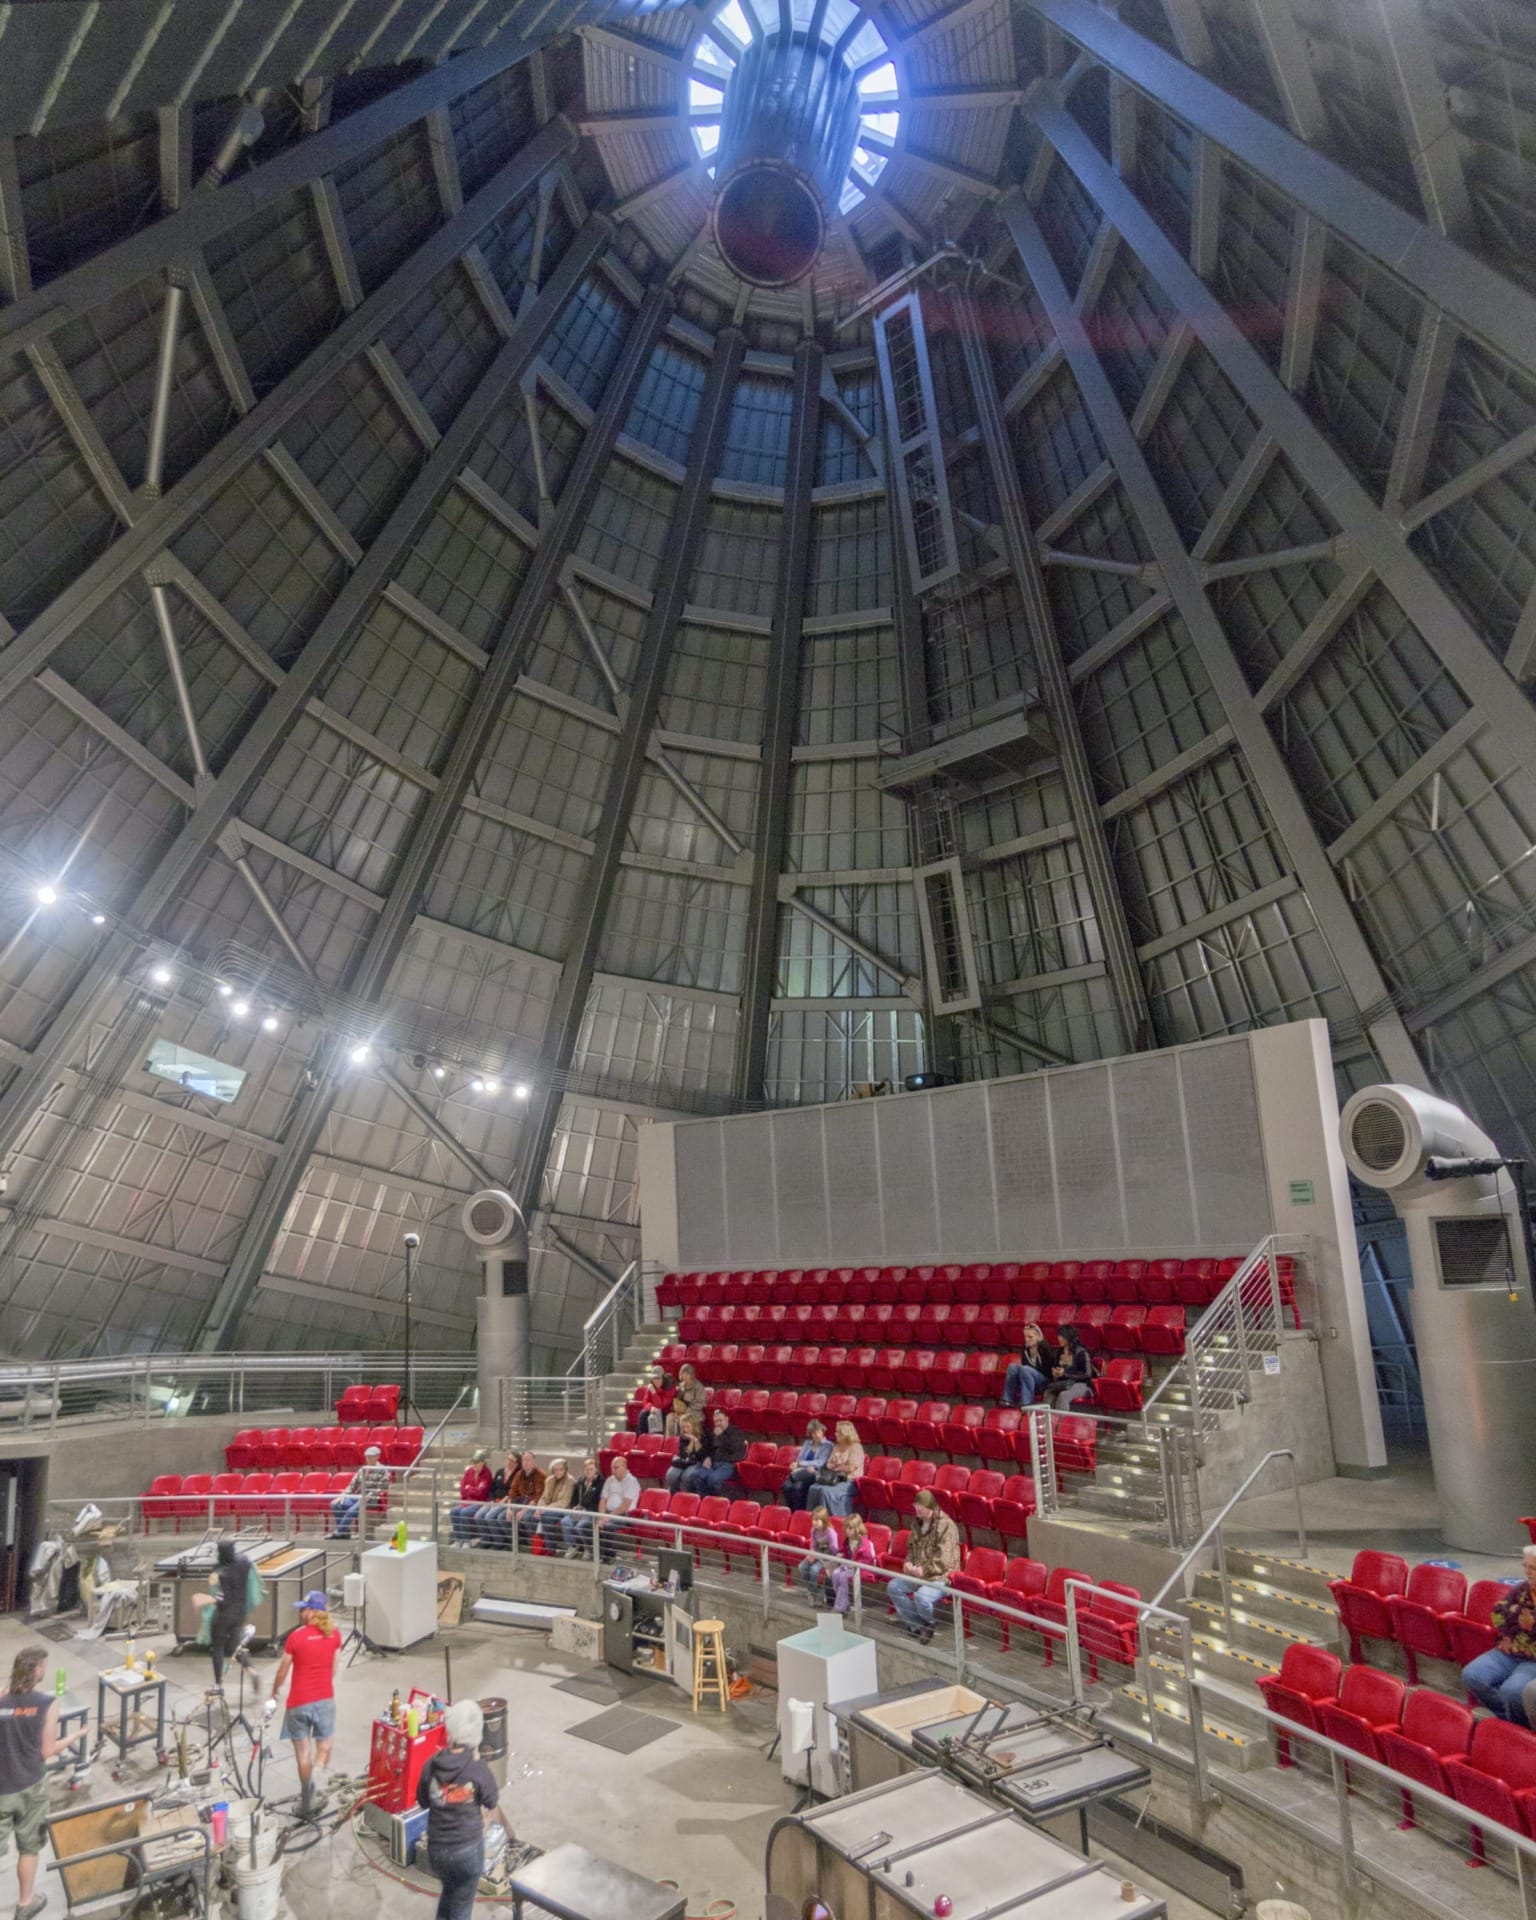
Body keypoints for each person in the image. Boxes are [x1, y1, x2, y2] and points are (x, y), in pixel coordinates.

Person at [1, 1645, 89, 1920]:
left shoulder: (1, 1697)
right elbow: (47, 1751)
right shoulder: (47, 1704)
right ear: (37, 1669)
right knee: (29, 1847)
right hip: (30, 1786)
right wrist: (76, 1737)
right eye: (43, 1667)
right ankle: (25, 1903)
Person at [416, 1698, 500, 1920]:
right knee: (461, 1906)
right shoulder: (477, 1768)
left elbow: (423, 1801)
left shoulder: (431, 1764)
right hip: (466, 1852)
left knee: (451, 1893)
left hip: (437, 1850)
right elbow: (491, 1801)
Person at [267, 1590, 341, 1815]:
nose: (300, 1613)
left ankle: (307, 1799)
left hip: (298, 1703)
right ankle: (316, 1779)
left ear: (313, 1611)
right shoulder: (335, 1635)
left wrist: (274, 1692)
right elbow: (334, 1668)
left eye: (303, 1609)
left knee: (302, 1753)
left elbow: (282, 1670)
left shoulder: (296, 1637)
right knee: (324, 1747)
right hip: (324, 1700)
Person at [1466, 1545, 1536, 1722]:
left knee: (1512, 1691)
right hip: (1507, 1651)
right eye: (1525, 1567)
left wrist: (1515, 1613)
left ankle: (1519, 1726)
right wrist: (1523, 1620)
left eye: (1533, 1568)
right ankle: (1512, 1720)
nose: (1528, 1573)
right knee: (1472, 1675)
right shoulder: (1521, 1589)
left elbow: (1512, 1618)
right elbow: (1497, 1616)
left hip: (1533, 1659)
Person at [888, 1489, 961, 1643]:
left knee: (921, 1597)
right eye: (916, 1506)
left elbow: (945, 1558)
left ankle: (929, 1623)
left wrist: (925, 1569)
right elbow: (911, 1549)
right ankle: (917, 1624)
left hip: (941, 1575)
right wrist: (908, 1562)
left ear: (931, 1506)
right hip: (918, 1573)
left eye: (920, 1507)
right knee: (894, 1587)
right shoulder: (916, 1524)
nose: (917, 1510)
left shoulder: (946, 1526)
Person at [193, 1537, 253, 1692]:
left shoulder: (222, 1571)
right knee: (234, 1645)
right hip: (240, 1612)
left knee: (218, 1647)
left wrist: (204, 1599)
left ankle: (218, 1684)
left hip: (225, 1614)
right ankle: (251, 1670)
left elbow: (222, 1599)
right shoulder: (244, 1562)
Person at [484, 1452, 544, 1551]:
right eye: (524, 1460)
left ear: (534, 1461)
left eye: (528, 1460)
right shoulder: (519, 1474)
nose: (525, 1463)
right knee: (501, 1517)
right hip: (517, 1503)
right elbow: (512, 1491)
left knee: (525, 1517)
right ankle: (511, 1542)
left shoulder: (540, 1475)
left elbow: (538, 1496)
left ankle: (529, 1543)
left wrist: (523, 1511)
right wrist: (509, 1508)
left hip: (531, 1505)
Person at [683, 1408, 746, 1498]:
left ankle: (715, 1500)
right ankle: (704, 1499)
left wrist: (720, 1437)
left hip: (729, 1464)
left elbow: (735, 1450)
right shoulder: (714, 1433)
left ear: (727, 1419)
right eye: (716, 1422)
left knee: (713, 1479)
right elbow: (708, 1449)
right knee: (696, 1475)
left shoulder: (735, 1432)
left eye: (720, 1420)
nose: (718, 1423)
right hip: (713, 1463)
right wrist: (707, 1457)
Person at [331, 1444, 391, 1539]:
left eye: (371, 1457)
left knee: (351, 1511)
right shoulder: (362, 1470)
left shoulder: (383, 1470)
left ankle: (338, 1532)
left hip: (371, 1499)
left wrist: (369, 1496)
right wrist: (342, 1495)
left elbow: (382, 1487)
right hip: (358, 1497)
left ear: (377, 1457)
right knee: (336, 1504)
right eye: (367, 1457)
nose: (369, 1459)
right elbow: (352, 1485)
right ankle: (343, 1532)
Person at [592, 1454, 641, 1561]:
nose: (613, 1470)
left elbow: (625, 1506)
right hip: (607, 1514)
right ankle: (595, 1554)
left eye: (616, 1467)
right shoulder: (610, 1480)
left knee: (608, 1526)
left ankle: (607, 1557)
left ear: (624, 1467)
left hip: (624, 1515)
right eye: (612, 1468)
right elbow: (603, 1500)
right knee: (587, 1524)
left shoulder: (631, 1481)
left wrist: (607, 1518)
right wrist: (602, 1516)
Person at [830, 1513, 878, 1614]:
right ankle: (843, 1602)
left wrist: (854, 1564)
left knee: (843, 1576)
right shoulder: (848, 1540)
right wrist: (839, 1554)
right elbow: (846, 1551)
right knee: (835, 1574)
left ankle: (840, 1607)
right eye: (846, 1528)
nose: (847, 1531)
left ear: (856, 1528)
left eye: (850, 1528)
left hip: (863, 1568)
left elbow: (869, 1559)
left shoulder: (864, 1542)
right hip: (849, 1566)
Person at [779, 1420, 831, 1512]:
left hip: (816, 1472)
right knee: (786, 1486)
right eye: (814, 1433)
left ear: (823, 1431)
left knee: (797, 1487)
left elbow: (820, 1462)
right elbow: (800, 1458)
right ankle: (792, 1511)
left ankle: (799, 1512)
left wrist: (802, 1464)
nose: (817, 1435)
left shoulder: (828, 1445)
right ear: (810, 1434)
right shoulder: (807, 1443)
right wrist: (797, 1465)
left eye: (818, 1432)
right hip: (802, 1470)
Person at [1002, 1324, 1056, 1409]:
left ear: (1038, 1336)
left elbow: (1049, 1368)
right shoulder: (1025, 1348)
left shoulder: (1044, 1346)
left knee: (1025, 1369)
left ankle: (1026, 1403)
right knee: (1012, 1367)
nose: (1027, 1340)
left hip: (1045, 1380)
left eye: (1030, 1337)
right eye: (1025, 1337)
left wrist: (1030, 1371)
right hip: (1029, 1377)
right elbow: (1024, 1365)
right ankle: (1007, 1400)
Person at [819, 1421, 865, 1519]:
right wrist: (837, 1466)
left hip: (851, 1481)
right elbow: (828, 1464)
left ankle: (837, 1519)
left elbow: (851, 1468)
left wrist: (837, 1466)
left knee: (827, 1491)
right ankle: (822, 1518)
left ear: (846, 1434)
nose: (836, 1434)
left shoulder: (856, 1447)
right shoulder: (836, 1446)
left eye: (839, 1433)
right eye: (836, 1432)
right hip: (836, 1478)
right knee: (817, 1489)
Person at [530, 1458, 577, 1551]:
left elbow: (565, 1502)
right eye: (556, 1470)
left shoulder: (571, 1481)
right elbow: (544, 1497)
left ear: (565, 1469)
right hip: (549, 1508)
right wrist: (539, 1509)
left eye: (561, 1469)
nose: (558, 1472)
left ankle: (550, 1547)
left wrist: (546, 1509)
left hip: (563, 1509)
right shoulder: (549, 1480)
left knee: (546, 1517)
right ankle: (537, 1544)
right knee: (532, 1515)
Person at [562, 1457, 604, 1556]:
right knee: (565, 1521)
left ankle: (588, 1548)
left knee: (580, 1526)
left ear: (596, 1470)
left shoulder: (600, 1483)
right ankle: (573, 1546)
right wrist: (574, 1508)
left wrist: (583, 1509)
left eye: (591, 1469)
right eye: (586, 1469)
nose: (588, 1471)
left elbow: (596, 1501)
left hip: (592, 1511)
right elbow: (574, 1498)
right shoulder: (580, 1481)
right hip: (579, 1510)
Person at [798, 1508, 842, 1605]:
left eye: (817, 1520)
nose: (814, 1522)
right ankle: (813, 1590)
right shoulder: (814, 1531)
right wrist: (811, 1554)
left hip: (828, 1557)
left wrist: (821, 1555)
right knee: (802, 1567)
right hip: (817, 1554)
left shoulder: (830, 1532)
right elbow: (813, 1546)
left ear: (824, 1520)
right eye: (813, 1520)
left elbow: (834, 1550)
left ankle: (813, 1594)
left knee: (814, 1569)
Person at [450, 1450, 492, 1544]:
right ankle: (458, 1539)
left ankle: (466, 1541)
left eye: (476, 1462)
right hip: (467, 1501)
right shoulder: (469, 1471)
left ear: (483, 1463)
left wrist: (469, 1488)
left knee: (464, 1513)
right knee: (454, 1512)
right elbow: (462, 1489)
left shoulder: (487, 1474)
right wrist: (472, 1490)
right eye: (473, 1462)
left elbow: (481, 1493)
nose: (474, 1464)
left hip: (480, 1502)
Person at [1048, 1325, 1095, 1410]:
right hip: (1065, 1383)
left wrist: (1065, 1374)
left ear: (1069, 1337)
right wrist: (1055, 1373)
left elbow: (1087, 1374)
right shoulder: (1059, 1352)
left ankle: (1062, 1422)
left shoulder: (1081, 1352)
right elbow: (1056, 1367)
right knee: (1048, 1393)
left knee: (1064, 1395)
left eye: (1061, 1336)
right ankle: (1048, 1420)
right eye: (1058, 1335)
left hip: (1082, 1384)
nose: (1059, 1338)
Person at [629, 1366, 675, 1435]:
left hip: (665, 1411)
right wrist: (651, 1407)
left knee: (657, 1414)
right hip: (654, 1409)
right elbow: (645, 1401)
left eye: (658, 1378)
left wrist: (654, 1392)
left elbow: (660, 1405)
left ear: (663, 1378)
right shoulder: (651, 1387)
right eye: (654, 1378)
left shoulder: (669, 1388)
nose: (656, 1381)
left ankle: (657, 1439)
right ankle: (643, 1437)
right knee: (643, 1414)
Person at [665, 1417, 705, 1495]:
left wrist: (695, 1440)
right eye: (683, 1427)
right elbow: (684, 1454)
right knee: (671, 1475)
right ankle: (673, 1495)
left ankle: (687, 1496)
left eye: (687, 1427)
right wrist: (691, 1441)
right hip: (684, 1461)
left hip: (697, 1461)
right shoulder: (682, 1438)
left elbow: (701, 1456)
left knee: (687, 1476)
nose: (685, 1429)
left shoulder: (703, 1436)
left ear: (694, 1426)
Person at [668, 1361, 708, 1437]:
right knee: (670, 1417)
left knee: (682, 1419)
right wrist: (677, 1412)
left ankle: (681, 1441)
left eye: (687, 1374)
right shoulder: (681, 1386)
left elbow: (702, 1403)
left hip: (695, 1413)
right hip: (683, 1411)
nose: (685, 1376)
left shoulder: (699, 1387)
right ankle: (670, 1442)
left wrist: (686, 1410)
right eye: (683, 1373)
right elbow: (678, 1401)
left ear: (692, 1375)